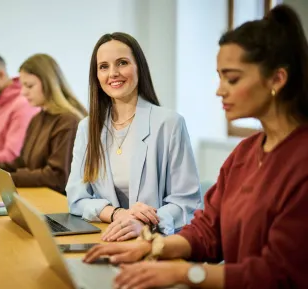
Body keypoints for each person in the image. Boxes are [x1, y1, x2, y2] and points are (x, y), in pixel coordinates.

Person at [83, 4, 308, 289]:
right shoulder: (245, 153)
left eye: (232, 78)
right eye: (220, 76)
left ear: (277, 78)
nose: (219, 89)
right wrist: (152, 247)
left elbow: (277, 275)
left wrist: (183, 274)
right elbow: (207, 231)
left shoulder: (301, 162)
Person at [65, 32, 201, 238]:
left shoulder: (169, 123)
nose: (113, 73)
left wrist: (144, 222)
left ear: (139, 67)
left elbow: (186, 202)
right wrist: (118, 214)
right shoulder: (87, 127)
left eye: (122, 63)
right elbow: (76, 198)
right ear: (96, 75)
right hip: (107, 235)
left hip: (155, 240)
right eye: (104, 66)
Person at [0, 54, 88, 194]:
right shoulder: (38, 118)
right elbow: (22, 162)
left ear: (49, 84)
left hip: (58, 203)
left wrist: (8, 178)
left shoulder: (68, 121)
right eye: (22, 86)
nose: (23, 92)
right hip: (38, 196)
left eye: (29, 86)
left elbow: (56, 177)